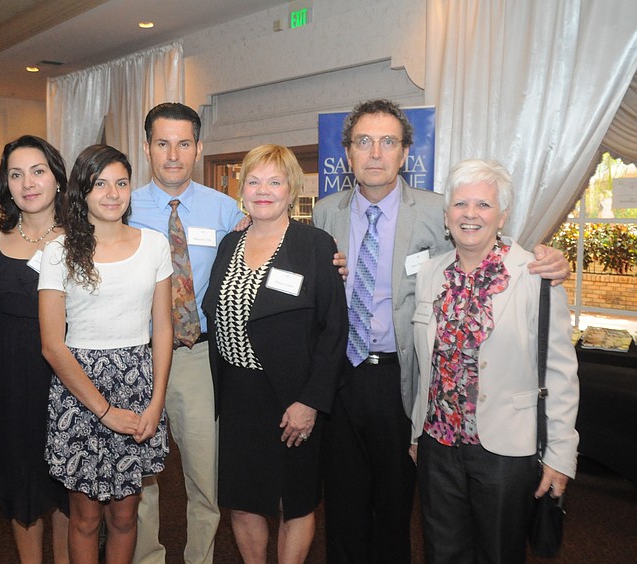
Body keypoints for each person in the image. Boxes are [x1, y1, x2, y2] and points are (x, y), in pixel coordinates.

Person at [312, 98, 570, 563]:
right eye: (363, 142)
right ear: (347, 153)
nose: (375, 153)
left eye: (387, 142)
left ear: (405, 153)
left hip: (404, 380)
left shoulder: (436, 210)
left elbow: (486, 240)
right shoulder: (324, 213)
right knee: (344, 507)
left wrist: (547, 261)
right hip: (342, 379)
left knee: (397, 510)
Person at [409, 159, 579, 563]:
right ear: (447, 214)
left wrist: (560, 454)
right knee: (441, 553)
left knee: (498, 554)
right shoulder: (431, 274)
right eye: (461, 204)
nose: (471, 214)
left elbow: (560, 371)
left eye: (483, 205)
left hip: (505, 449)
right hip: (438, 443)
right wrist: (417, 432)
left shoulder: (535, 275)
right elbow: (426, 365)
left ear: (502, 215)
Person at [202, 144, 348, 563]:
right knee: (243, 499)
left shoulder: (315, 246)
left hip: (292, 396)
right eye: (253, 181)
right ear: (242, 190)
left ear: (291, 190)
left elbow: (334, 329)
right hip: (237, 395)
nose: (263, 190)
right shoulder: (229, 245)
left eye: (274, 181)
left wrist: (310, 401)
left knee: (294, 502)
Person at [38, 144, 173, 563]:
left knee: (126, 517)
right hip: (79, 389)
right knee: (84, 518)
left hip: (137, 384)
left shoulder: (154, 245)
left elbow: (164, 328)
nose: (113, 193)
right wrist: (103, 410)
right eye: (101, 184)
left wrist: (156, 402)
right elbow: (52, 345)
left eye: (121, 183)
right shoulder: (59, 252)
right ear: (82, 190)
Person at [130, 102, 244, 564]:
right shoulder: (122, 204)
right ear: (147, 148)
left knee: (205, 477)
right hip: (136, 358)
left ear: (198, 148)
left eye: (183, 143)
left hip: (198, 357)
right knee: (139, 480)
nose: (172, 154)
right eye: (162, 143)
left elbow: (259, 258)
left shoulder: (225, 208)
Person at [0, 135, 70, 563]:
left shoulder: (80, 236)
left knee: (68, 486)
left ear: (56, 178)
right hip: (9, 371)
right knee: (20, 480)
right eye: (16, 174)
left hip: (67, 371)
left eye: (38, 171)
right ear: (6, 184)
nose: (28, 183)